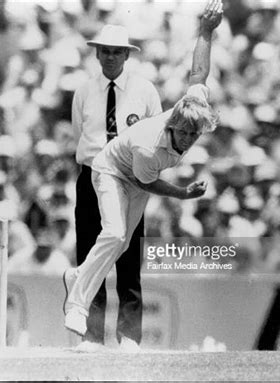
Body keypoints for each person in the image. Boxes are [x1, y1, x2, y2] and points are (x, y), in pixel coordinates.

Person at [63, 0, 223, 344]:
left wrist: (206, 31)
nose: (189, 139)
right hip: (110, 170)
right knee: (115, 233)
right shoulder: (151, 147)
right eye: (185, 134)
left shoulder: (191, 105)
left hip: (137, 177)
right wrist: (182, 194)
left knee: (122, 250)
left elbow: (199, 71)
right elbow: (141, 177)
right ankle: (78, 304)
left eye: (195, 135)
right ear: (174, 125)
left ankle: (119, 328)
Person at [70, 24, 162, 352]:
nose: (110, 57)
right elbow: (80, 130)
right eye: (105, 51)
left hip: (128, 177)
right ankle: (93, 334)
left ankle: (129, 335)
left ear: (126, 54)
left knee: (127, 252)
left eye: (116, 52)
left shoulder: (144, 90)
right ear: (96, 53)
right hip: (92, 173)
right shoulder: (84, 90)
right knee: (91, 251)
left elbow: (155, 134)